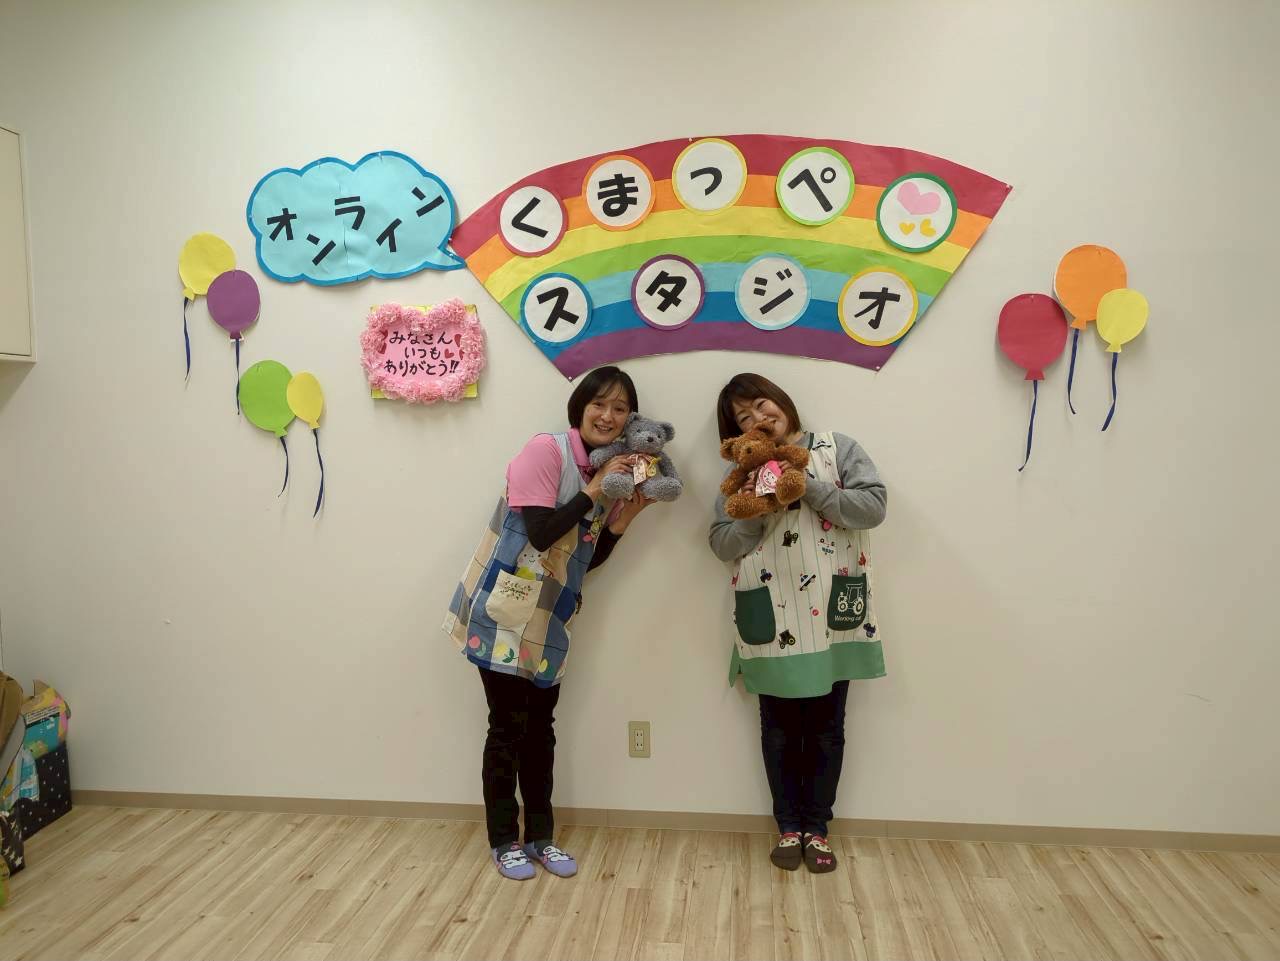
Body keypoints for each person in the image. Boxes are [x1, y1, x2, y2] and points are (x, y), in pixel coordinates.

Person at [443, 366, 651, 880]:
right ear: (580, 407)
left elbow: (585, 557)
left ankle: (541, 837)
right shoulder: (546, 452)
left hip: (551, 617)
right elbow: (540, 534)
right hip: (503, 612)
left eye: (620, 408)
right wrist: (595, 489)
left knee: (541, 730)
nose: (608, 415)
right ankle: (503, 841)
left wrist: (624, 519)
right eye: (599, 403)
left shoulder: (607, 473)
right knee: (506, 728)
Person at [708, 373, 887, 874]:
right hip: (771, 612)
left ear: (782, 401)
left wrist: (807, 488)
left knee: (828, 728)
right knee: (779, 730)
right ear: (736, 435)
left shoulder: (836, 448)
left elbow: (873, 507)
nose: (758, 419)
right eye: (743, 418)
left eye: (761, 404)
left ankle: (818, 829)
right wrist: (756, 509)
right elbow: (720, 543)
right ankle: (788, 827)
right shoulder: (740, 472)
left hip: (833, 613)